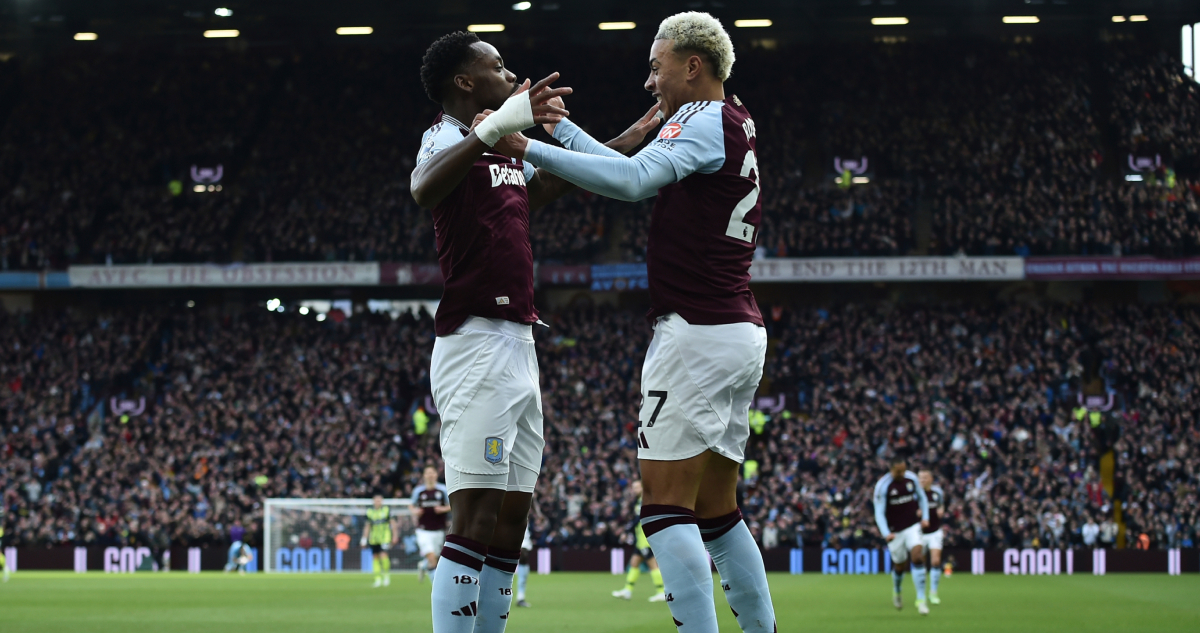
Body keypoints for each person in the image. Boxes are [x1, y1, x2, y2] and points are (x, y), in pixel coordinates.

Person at [487, 12, 773, 632]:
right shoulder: (736, 118)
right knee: (719, 513)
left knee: (666, 511)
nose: (649, 81)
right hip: (735, 330)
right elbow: (632, 166)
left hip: (695, 333)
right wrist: (561, 129)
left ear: (692, 65)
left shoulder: (701, 118)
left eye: (655, 65)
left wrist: (525, 146)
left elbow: (635, 182)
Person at [410, 30, 659, 633]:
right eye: (497, 66)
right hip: (474, 342)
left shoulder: (503, 155)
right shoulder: (445, 137)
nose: (509, 72)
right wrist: (494, 130)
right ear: (466, 82)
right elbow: (422, 190)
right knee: (471, 518)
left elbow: (557, 181)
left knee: (508, 525)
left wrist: (637, 134)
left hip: (520, 342)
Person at [873, 455, 931, 615]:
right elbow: (878, 513)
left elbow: (922, 498)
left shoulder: (911, 479)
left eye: (904, 470)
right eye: (899, 471)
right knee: (900, 565)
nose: (902, 473)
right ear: (891, 470)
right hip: (895, 531)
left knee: (918, 557)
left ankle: (921, 600)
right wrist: (886, 533)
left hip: (912, 526)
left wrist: (925, 517)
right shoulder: (883, 486)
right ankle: (897, 591)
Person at [612, 480, 666, 602]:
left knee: (652, 565)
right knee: (634, 563)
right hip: (640, 538)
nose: (634, 490)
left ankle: (661, 591)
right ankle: (627, 590)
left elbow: (639, 518)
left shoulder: (644, 500)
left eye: (637, 487)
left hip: (645, 539)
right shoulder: (638, 501)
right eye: (633, 487)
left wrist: (626, 530)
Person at [412, 465, 451, 583]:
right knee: (431, 557)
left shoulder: (443, 490)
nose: (430, 475)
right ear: (424, 476)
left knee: (436, 557)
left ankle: (423, 566)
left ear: (436, 475)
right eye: (427, 473)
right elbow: (411, 505)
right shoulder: (418, 491)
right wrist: (415, 511)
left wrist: (442, 509)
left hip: (438, 529)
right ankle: (435, 583)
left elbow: (451, 505)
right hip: (423, 530)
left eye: (432, 473)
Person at [918, 469, 945, 605]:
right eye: (920, 478)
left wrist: (941, 510)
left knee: (935, 561)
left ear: (931, 479)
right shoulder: (915, 494)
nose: (922, 480)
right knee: (920, 564)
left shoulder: (937, 493)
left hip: (935, 532)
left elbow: (941, 506)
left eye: (925, 478)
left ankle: (933, 592)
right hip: (920, 533)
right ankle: (921, 593)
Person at [362, 495, 398, 587]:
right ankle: (377, 578)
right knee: (375, 557)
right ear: (373, 501)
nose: (378, 502)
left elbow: (393, 524)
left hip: (385, 538)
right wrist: (364, 538)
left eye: (379, 501)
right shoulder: (370, 512)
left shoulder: (386, 510)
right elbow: (367, 525)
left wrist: (395, 536)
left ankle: (386, 575)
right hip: (374, 539)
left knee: (383, 555)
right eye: (376, 501)